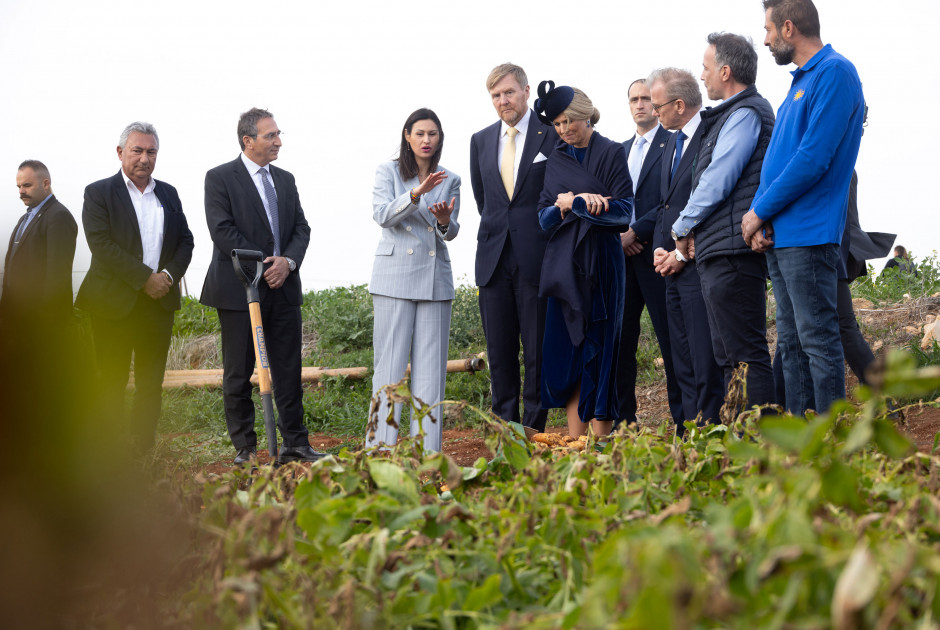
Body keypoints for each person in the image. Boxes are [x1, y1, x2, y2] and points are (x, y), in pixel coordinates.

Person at [743, 0, 865, 414]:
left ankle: (828, 446)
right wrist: (763, 216)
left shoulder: (834, 73)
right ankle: (798, 444)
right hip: (783, 233)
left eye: (769, 29)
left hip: (810, 233)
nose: (765, 39)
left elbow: (813, 158)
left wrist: (758, 212)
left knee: (818, 342)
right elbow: (780, 159)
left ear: (789, 28)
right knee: (792, 346)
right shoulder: (800, 83)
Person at [201, 108, 323, 465]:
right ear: (248, 141)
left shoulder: (285, 180)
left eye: (278, 134)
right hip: (241, 289)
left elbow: (301, 229)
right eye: (271, 136)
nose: (278, 142)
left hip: (282, 287)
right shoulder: (220, 178)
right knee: (238, 371)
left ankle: (295, 444)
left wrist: (286, 262)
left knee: (288, 368)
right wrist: (261, 264)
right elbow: (222, 230)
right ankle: (246, 449)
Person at [670, 33, 776, 415]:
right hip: (722, 249)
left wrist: (682, 226)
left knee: (745, 354)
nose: (702, 76)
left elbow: (719, 178)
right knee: (730, 355)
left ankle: (763, 447)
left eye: (706, 67)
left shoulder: (744, 113)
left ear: (726, 71)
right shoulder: (730, 115)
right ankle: (743, 447)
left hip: (733, 253)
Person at [76, 122, 194, 451]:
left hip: (158, 304)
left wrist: (167, 278)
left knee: (150, 383)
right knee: (111, 380)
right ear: (120, 153)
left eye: (151, 151)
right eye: (137, 150)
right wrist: (145, 279)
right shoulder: (98, 192)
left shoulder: (168, 193)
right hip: (112, 304)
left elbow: (186, 241)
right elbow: (101, 244)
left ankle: (143, 448)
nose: (144, 158)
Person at [534, 81, 633, 439]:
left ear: (584, 116)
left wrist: (577, 202)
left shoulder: (611, 152)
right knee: (570, 347)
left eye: (567, 123)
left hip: (603, 265)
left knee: (602, 347)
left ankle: (602, 442)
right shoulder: (557, 157)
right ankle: (574, 445)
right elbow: (543, 218)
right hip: (565, 267)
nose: (563, 131)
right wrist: (565, 206)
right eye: (557, 125)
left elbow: (624, 214)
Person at [366, 108, 460, 453]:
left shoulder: (450, 178)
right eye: (419, 133)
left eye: (432, 134)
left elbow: (449, 233)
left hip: (435, 280)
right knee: (389, 372)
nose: (426, 140)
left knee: (430, 377)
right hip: (394, 278)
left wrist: (446, 220)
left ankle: (428, 457)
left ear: (439, 139)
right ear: (407, 135)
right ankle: (379, 454)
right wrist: (417, 193)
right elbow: (383, 216)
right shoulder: (387, 171)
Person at [470, 63, 556, 433]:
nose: (503, 101)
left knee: (537, 351)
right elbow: (483, 199)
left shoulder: (550, 135)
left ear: (526, 90)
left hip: (536, 260)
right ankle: (505, 430)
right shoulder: (480, 139)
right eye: (495, 95)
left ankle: (533, 430)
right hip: (492, 260)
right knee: (500, 353)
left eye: (508, 92)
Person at [648, 68, 724, 432]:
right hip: (669, 264)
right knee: (681, 358)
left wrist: (681, 253)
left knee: (703, 355)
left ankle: (710, 433)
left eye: (657, 104)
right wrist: (663, 251)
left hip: (697, 261)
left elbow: (709, 199)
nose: (653, 111)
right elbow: (667, 205)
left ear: (679, 104)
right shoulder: (669, 142)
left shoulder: (711, 135)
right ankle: (689, 432)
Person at [616, 79, 684, 428]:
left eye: (645, 99)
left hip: (658, 254)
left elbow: (669, 200)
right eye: (634, 99)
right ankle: (624, 422)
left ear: (656, 106)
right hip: (622, 260)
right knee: (620, 343)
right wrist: (620, 236)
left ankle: (683, 421)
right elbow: (612, 200)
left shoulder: (674, 142)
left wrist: (636, 232)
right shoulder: (619, 149)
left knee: (671, 341)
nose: (640, 105)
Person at [1, 160, 78, 431]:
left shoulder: (58, 216)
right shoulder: (26, 218)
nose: (22, 191)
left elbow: (56, 277)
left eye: (28, 185)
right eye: (19, 186)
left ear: (46, 183)